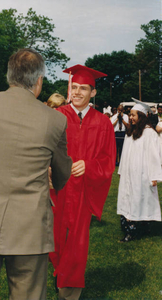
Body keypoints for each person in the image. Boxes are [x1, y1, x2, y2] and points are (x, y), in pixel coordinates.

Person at [0, 48, 72, 300]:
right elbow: (62, 174)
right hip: (30, 225)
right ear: (39, 81)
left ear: (9, 77)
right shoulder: (55, 120)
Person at [49, 64, 116, 300]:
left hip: (83, 193)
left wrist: (89, 165)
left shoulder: (103, 123)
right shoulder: (58, 117)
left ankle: (69, 292)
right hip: (58, 190)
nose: (77, 92)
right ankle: (59, 276)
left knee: (77, 246)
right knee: (54, 241)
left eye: (83, 88)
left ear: (93, 93)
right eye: (74, 87)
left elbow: (109, 161)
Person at [117, 99, 162, 242]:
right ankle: (131, 228)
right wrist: (121, 171)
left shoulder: (149, 133)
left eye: (133, 115)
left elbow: (155, 156)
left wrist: (154, 176)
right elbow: (124, 153)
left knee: (141, 199)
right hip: (129, 173)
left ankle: (139, 228)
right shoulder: (130, 132)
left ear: (141, 116)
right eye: (130, 115)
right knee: (129, 199)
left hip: (143, 174)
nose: (130, 118)